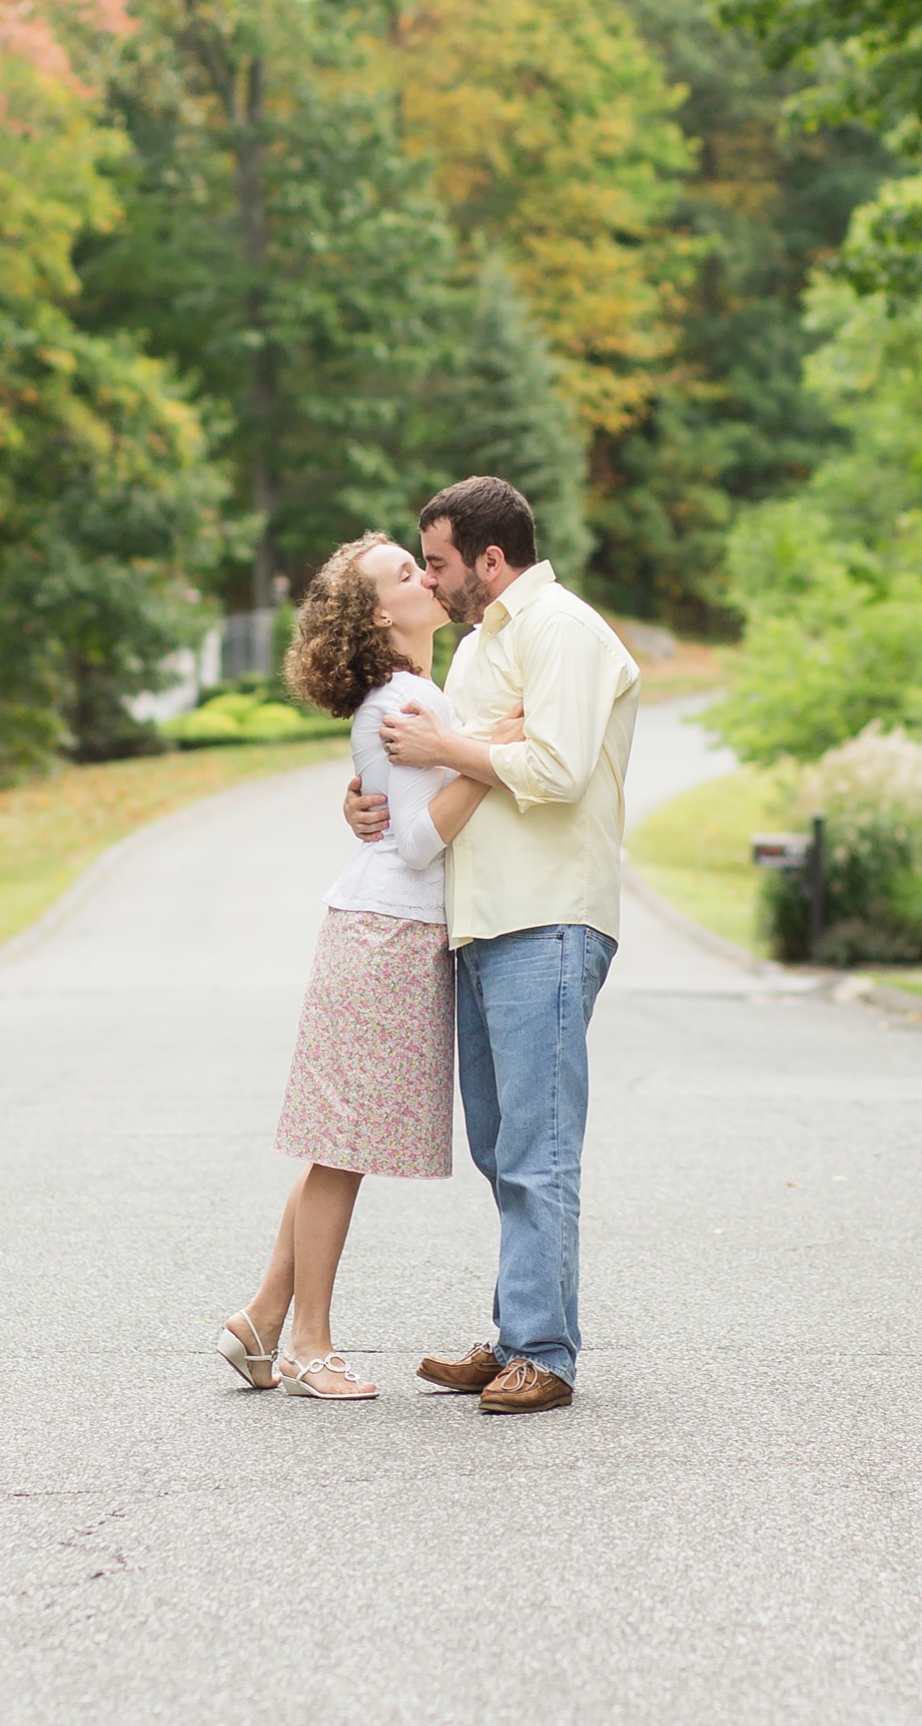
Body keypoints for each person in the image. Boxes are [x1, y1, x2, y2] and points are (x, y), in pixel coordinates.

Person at [353, 473, 640, 1416]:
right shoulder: (481, 646)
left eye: (437, 562)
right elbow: (439, 773)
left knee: (539, 1145)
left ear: (489, 556)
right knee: (503, 1142)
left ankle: (545, 1355)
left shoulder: (561, 629)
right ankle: (520, 1329)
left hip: (548, 913)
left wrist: (451, 752)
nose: (430, 581)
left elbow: (554, 771)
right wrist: (369, 799)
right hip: (481, 918)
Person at [216, 535, 517, 1403]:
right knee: (339, 1149)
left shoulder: (416, 690)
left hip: (382, 930)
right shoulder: (409, 695)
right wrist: (496, 757)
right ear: (380, 614)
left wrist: (473, 746)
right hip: (388, 930)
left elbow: (397, 807)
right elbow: (420, 843)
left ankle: (262, 1319)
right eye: (402, 572)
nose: (427, 575)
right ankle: (309, 1343)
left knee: (335, 1145)